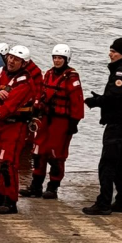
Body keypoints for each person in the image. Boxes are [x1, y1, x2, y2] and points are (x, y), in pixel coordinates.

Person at [0, 44, 40, 214]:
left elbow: (9, 107)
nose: (11, 61)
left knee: (8, 164)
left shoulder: (25, 83)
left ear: (24, 63)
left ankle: (11, 201)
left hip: (15, 127)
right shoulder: (0, 72)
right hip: (1, 126)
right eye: (10, 57)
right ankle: (1, 195)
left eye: (16, 59)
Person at [83, 38, 122, 215]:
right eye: (110, 50)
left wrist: (95, 101)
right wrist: (101, 99)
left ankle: (104, 203)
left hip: (119, 124)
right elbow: (120, 97)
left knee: (107, 164)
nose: (110, 54)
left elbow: (114, 98)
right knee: (120, 164)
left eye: (114, 51)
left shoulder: (121, 72)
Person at [21, 44, 84, 199]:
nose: (56, 61)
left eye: (60, 58)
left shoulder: (72, 78)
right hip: (45, 119)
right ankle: (35, 187)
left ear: (66, 59)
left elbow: (77, 102)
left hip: (61, 122)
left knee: (56, 155)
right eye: (55, 58)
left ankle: (53, 187)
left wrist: (74, 123)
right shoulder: (48, 74)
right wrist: (35, 108)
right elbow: (42, 94)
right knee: (38, 152)